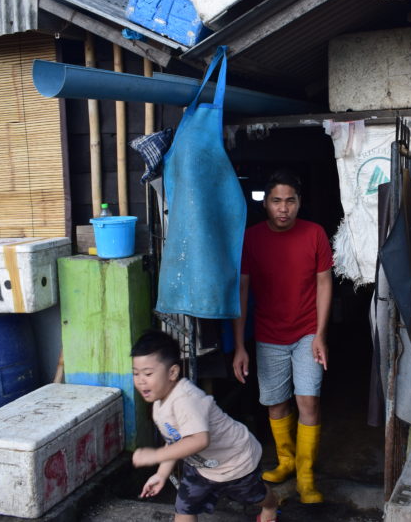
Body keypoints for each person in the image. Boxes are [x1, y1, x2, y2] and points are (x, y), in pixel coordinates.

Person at [232, 170, 333, 504]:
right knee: (276, 403)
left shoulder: (315, 234)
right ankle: (286, 461)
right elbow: (242, 291)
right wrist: (240, 346)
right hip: (269, 333)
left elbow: (324, 283)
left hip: (307, 332)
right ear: (266, 203)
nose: (284, 208)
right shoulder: (251, 239)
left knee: (309, 400)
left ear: (299, 202)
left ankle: (306, 476)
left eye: (290, 200)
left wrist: (320, 334)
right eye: (277, 200)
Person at [131, 330, 279, 522]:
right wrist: (161, 474)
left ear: (173, 372)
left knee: (254, 496)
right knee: (184, 508)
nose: (141, 380)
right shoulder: (159, 405)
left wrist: (155, 455)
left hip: (235, 462)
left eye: (148, 373)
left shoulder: (186, 399)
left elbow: (199, 440)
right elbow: (175, 441)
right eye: (136, 373)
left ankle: (271, 505)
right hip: (201, 468)